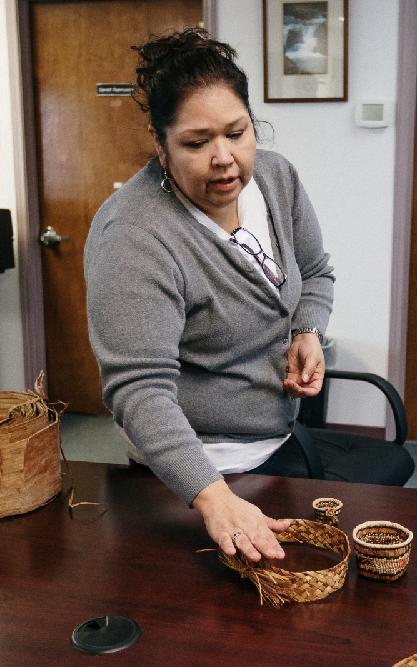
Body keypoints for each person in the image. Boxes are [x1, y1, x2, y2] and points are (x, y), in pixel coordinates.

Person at [84, 28, 334, 563]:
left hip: (277, 445)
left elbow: (314, 272)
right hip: (193, 477)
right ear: (160, 142)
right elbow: (139, 391)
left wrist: (307, 331)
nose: (225, 158)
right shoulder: (135, 235)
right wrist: (213, 496)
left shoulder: (275, 178)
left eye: (237, 133)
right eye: (197, 143)